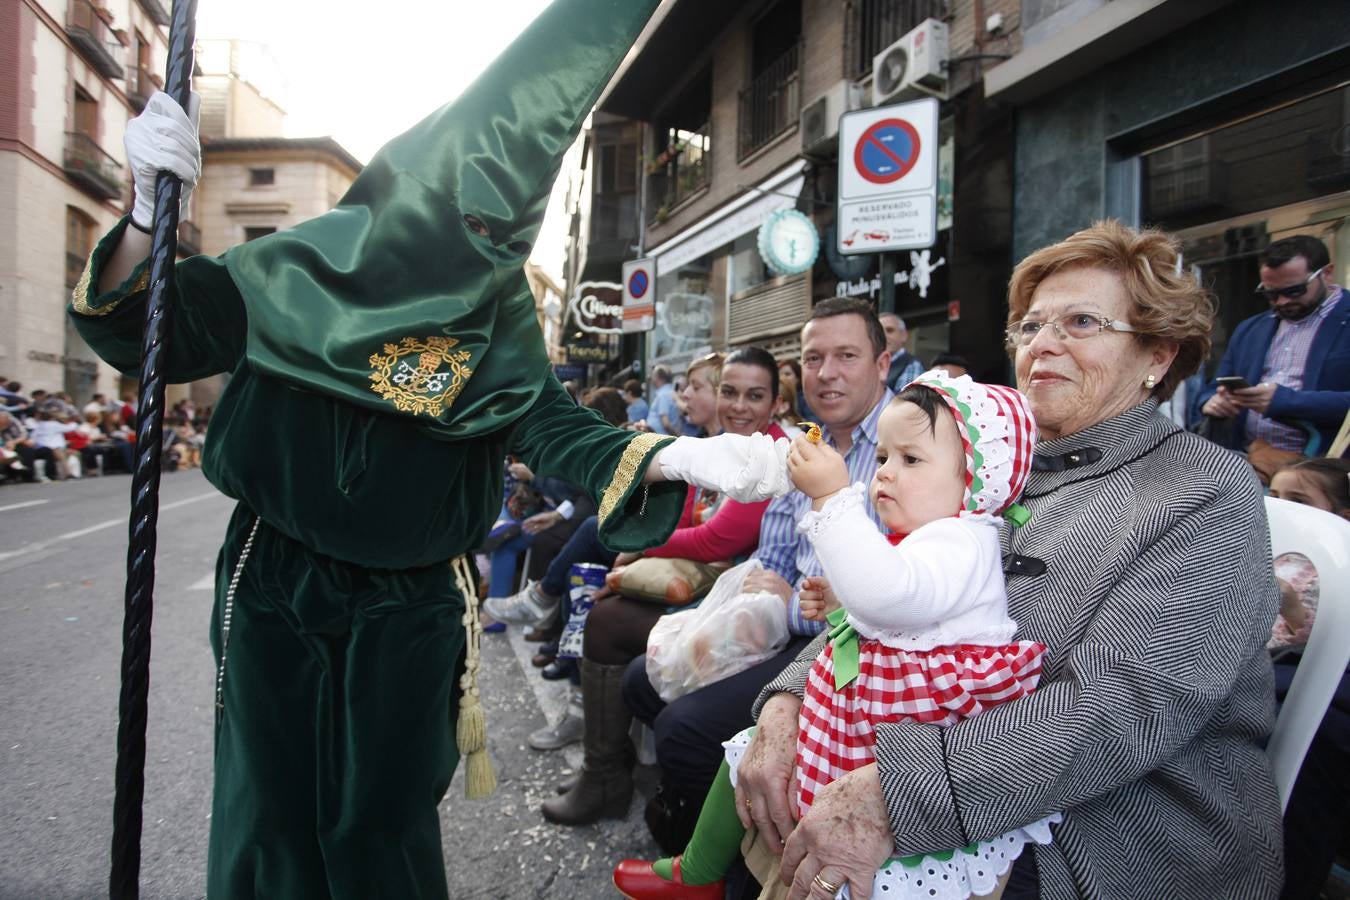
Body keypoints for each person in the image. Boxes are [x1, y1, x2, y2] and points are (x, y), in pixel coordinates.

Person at [65, 3, 798, 895]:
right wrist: (145, 215)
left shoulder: (498, 313)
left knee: (383, 820)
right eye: (464, 224)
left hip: (410, 603)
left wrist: (670, 458)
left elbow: (550, 421)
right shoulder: (295, 268)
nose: (476, 254)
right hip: (276, 580)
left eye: (500, 236)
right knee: (269, 808)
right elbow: (157, 332)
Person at [735, 220, 1283, 900]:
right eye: (1029, 327)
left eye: (1081, 321)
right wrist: (790, 698)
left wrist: (900, 793)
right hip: (953, 750)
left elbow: (1121, 707)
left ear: (1158, 355)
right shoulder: (996, 469)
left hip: (1119, 824)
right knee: (746, 782)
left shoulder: (1204, 490)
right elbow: (889, 595)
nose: (1042, 345)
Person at [615, 372, 1054, 899]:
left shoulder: (962, 539)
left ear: (976, 482)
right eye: (886, 457)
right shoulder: (927, 535)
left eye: (910, 460)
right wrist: (844, 609)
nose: (886, 474)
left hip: (905, 731)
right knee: (747, 747)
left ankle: (705, 871)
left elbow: (889, 596)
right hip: (870, 705)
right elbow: (896, 611)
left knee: (842, 847)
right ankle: (699, 867)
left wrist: (831, 497)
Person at [622, 298, 894, 854]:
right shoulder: (802, 445)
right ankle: (710, 828)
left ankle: (718, 868)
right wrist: (758, 598)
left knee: (685, 728)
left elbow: (877, 591)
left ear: (883, 364)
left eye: (847, 355)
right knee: (640, 678)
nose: (827, 373)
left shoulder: (903, 445)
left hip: (855, 648)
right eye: (814, 358)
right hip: (784, 625)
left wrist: (792, 600)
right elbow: (770, 557)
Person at [536, 347, 788, 825]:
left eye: (754, 396)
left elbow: (719, 536)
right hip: (718, 589)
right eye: (728, 392)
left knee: (607, 615)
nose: (738, 406)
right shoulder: (715, 444)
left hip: (741, 601)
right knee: (604, 601)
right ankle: (604, 768)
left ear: (775, 403)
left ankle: (606, 773)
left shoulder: (770, 451)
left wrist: (642, 550)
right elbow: (687, 515)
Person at [1264, 456, 1350, 900]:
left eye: (1299, 500)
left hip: (1312, 694)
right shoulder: (1272, 549)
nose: (1281, 508)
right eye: (1274, 495)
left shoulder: (1326, 565)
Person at [1197, 235, 1349, 479]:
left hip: (1324, 473)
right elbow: (1211, 389)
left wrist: (1285, 401)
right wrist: (1213, 402)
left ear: (1327, 273)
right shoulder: (1250, 329)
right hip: (1246, 465)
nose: (1282, 301)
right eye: (1271, 294)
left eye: (1294, 290)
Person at [880, 313, 923, 392]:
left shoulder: (912, 365)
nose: (884, 336)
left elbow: (904, 402)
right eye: (879, 331)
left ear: (904, 335)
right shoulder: (871, 363)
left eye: (890, 330)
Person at [648, 365, 685, 435]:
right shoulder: (669, 392)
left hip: (660, 440)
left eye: (653, 375)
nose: (651, 377)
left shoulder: (663, 395)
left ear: (658, 377)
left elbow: (666, 424)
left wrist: (679, 436)